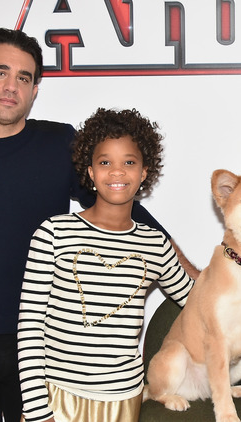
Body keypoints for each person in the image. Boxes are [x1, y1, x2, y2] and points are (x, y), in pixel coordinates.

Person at [0, 28, 197, 422]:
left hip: (49, 347)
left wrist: (195, 275)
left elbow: (124, 211)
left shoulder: (60, 144)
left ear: (35, 89)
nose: (11, 87)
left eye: (24, 78)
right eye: (0, 73)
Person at [17, 108, 194, 422]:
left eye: (129, 162)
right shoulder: (54, 233)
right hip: (57, 398)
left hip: (123, 402)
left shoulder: (155, 244)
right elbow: (30, 327)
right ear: (89, 172)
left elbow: (198, 302)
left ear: (143, 172)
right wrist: (36, 410)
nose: (117, 172)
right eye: (104, 162)